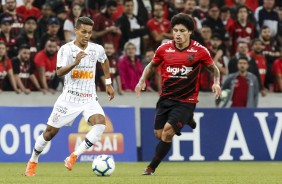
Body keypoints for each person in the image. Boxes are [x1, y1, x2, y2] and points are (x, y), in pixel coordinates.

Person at [24, 17, 115, 176]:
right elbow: (58, 73)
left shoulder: (97, 49)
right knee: (49, 133)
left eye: (90, 32)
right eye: (84, 32)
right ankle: (33, 160)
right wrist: (74, 63)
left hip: (89, 98)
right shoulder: (66, 50)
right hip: (69, 99)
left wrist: (108, 83)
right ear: (76, 31)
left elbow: (105, 61)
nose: (87, 36)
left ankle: (74, 156)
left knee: (100, 123)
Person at [135, 13, 221, 175]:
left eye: (182, 31)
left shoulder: (200, 51)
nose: (178, 34)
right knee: (159, 134)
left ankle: (151, 167)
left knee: (167, 133)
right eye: (175, 30)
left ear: (189, 32)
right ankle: (188, 119)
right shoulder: (163, 49)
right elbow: (151, 67)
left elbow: (213, 69)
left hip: (186, 100)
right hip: (166, 98)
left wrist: (216, 82)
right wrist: (141, 81)